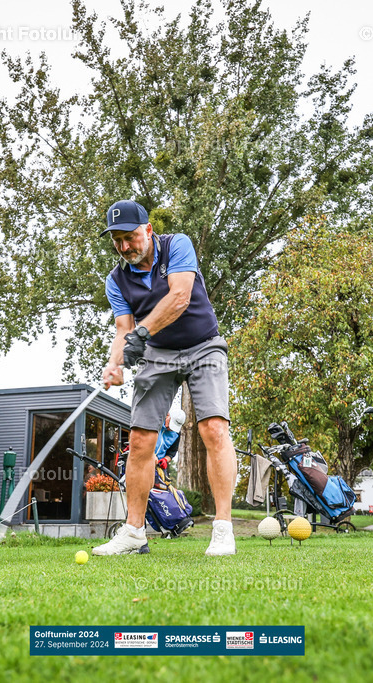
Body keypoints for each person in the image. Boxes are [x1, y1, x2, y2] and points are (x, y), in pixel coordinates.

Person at [94, 199, 237, 556]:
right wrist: (115, 363)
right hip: (157, 354)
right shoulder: (116, 280)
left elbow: (180, 297)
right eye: (117, 240)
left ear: (148, 230)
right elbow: (122, 330)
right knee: (141, 440)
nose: (125, 247)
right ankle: (133, 533)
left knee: (213, 428)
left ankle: (223, 529)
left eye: (130, 237)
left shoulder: (177, 245)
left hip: (204, 345)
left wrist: (140, 334)